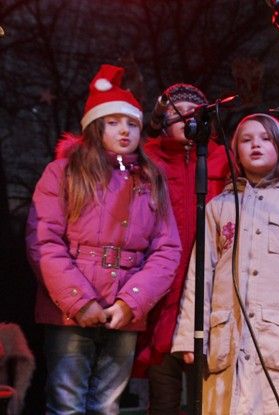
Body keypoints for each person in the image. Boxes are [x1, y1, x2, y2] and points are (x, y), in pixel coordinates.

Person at [25, 64, 181, 414]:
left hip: (122, 312)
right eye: (113, 122)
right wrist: (80, 302)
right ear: (96, 127)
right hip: (70, 311)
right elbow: (44, 242)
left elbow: (166, 250)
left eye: (132, 124)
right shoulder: (63, 173)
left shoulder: (151, 181)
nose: (125, 130)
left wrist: (130, 303)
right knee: (66, 403)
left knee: (107, 406)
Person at [172, 113, 279, 414]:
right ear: (236, 153)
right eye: (246, 140)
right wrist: (190, 335)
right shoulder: (218, 207)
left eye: (265, 138)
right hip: (227, 341)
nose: (256, 145)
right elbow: (200, 274)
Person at [133, 83, 229, 414]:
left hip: (209, 293)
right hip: (161, 297)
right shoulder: (147, 159)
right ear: (162, 120)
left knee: (210, 399)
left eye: (194, 113)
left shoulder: (223, 159)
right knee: (163, 397)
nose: (187, 119)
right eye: (178, 113)